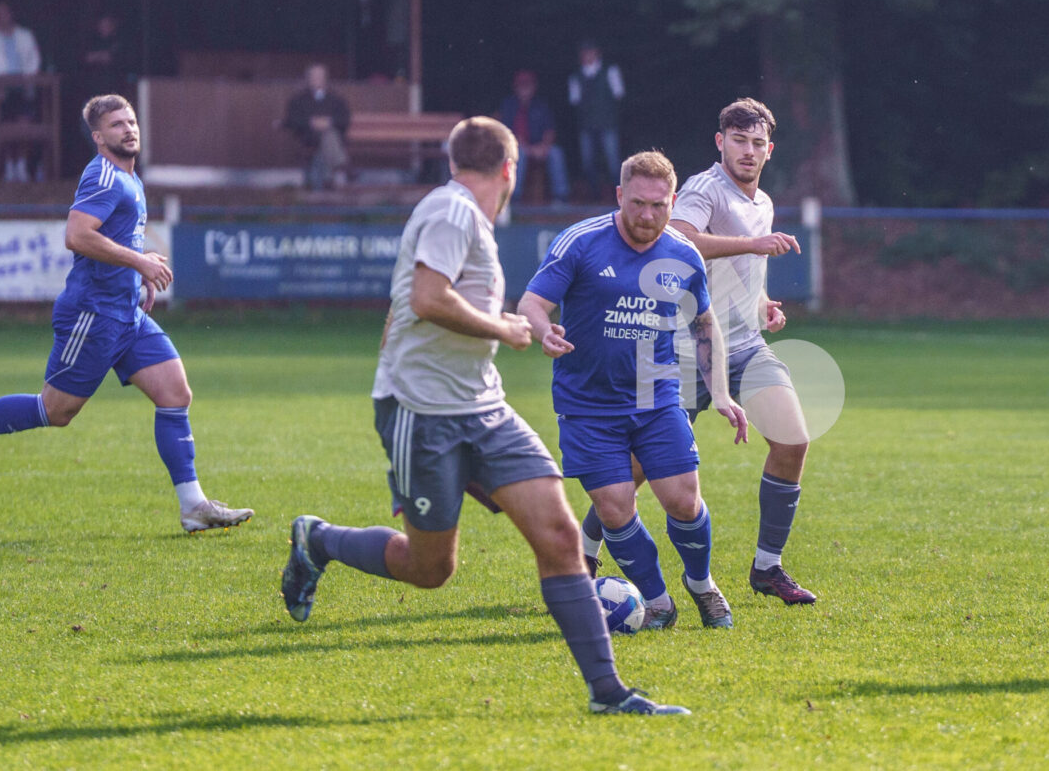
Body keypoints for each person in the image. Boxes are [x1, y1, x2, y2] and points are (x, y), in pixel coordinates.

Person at [279, 118, 685, 716]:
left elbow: (404, 309)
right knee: (429, 569)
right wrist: (502, 328)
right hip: (424, 412)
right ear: (509, 168)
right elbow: (426, 298)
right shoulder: (453, 212)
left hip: (484, 407)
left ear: (454, 160)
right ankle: (319, 540)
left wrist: (492, 329)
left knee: (560, 534)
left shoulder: (467, 217)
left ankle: (609, 693)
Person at [0, 94, 254, 534]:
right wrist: (140, 262)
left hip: (126, 314)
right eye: (117, 124)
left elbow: (114, 238)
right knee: (55, 410)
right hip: (93, 314)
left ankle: (193, 507)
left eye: (131, 121)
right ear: (99, 138)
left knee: (174, 393)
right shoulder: (103, 174)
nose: (129, 129)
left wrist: (139, 270)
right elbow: (77, 235)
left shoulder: (130, 178)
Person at [578, 98, 817, 605]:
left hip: (745, 345)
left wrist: (761, 303)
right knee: (635, 471)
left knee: (793, 440)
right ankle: (584, 552)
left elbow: (741, 270)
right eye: (739, 141)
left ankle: (767, 567)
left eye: (757, 143)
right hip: (683, 351)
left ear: (769, 150)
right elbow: (679, 238)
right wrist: (753, 245)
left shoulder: (763, 202)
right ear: (720, 142)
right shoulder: (704, 189)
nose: (748, 151)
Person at [516, 151, 750, 631]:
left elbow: (704, 324)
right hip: (587, 403)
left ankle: (702, 584)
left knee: (684, 500)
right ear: (620, 195)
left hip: (654, 394)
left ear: (673, 202)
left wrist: (721, 392)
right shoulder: (581, 242)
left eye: (658, 206)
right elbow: (532, 303)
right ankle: (659, 602)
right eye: (638, 203)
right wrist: (543, 330)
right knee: (615, 507)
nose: (647, 215)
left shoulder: (683, 254)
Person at [0, 0, 42, 182]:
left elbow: (34, 60)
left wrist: (27, 79)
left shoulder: (25, 35)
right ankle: (8, 164)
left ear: (11, 14)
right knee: (5, 119)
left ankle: (21, 164)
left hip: (23, 87)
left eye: (5, 12)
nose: (2, 16)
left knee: (23, 121)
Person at [499, 69, 568, 202]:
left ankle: (561, 196)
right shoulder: (509, 106)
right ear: (516, 87)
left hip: (539, 146)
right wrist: (528, 148)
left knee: (556, 153)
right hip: (518, 146)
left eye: (528, 85)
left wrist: (544, 146)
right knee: (519, 155)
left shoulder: (541, 105)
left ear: (534, 87)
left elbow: (550, 130)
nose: (525, 89)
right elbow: (508, 133)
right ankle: (514, 197)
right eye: (522, 85)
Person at [567, 40, 623, 201]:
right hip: (586, 125)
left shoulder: (610, 71)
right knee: (588, 161)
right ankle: (593, 195)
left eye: (590, 52)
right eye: (584, 53)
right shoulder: (576, 76)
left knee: (613, 161)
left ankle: (618, 196)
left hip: (607, 123)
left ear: (597, 53)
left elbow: (618, 94)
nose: (587, 55)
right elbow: (575, 100)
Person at [282, 63, 350, 190]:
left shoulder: (336, 100)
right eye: (313, 76)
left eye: (320, 76)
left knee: (328, 137)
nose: (317, 79)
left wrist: (329, 122)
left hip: (331, 136)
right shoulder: (298, 100)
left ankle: (327, 179)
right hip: (309, 136)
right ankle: (343, 166)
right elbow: (292, 120)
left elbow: (344, 119)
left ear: (325, 78)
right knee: (329, 136)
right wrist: (311, 122)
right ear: (308, 78)